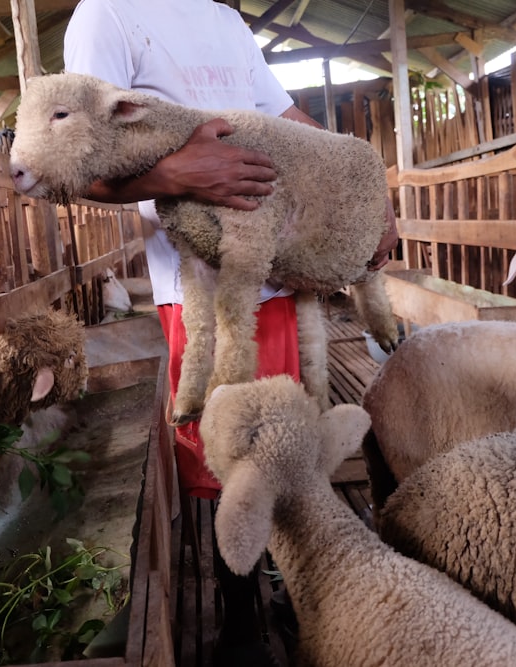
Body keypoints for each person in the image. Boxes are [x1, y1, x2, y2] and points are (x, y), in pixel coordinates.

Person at [63, 1, 398, 662]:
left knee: (288, 437)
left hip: (279, 262)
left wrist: (371, 195)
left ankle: (290, 578)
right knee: (224, 450)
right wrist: (175, 173)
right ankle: (238, 613)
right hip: (202, 286)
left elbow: (288, 118)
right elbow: (78, 158)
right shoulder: (106, 14)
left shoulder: (223, 18)